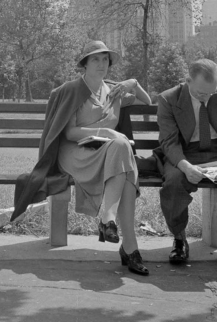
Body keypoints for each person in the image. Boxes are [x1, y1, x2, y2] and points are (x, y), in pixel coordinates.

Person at [11, 41, 153, 276]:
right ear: (84, 64)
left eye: (105, 59)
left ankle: (115, 230)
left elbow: (146, 100)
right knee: (122, 152)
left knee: (122, 155)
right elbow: (69, 133)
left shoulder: (114, 91)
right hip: (75, 151)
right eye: (95, 59)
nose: (101, 64)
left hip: (106, 152)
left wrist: (132, 83)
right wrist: (104, 132)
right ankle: (127, 245)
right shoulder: (72, 90)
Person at [155, 59, 217, 274]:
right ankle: (180, 239)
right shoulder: (168, 99)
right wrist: (184, 165)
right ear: (188, 81)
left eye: (211, 93)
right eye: (201, 94)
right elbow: (169, 142)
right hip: (183, 153)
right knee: (173, 181)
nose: (207, 98)